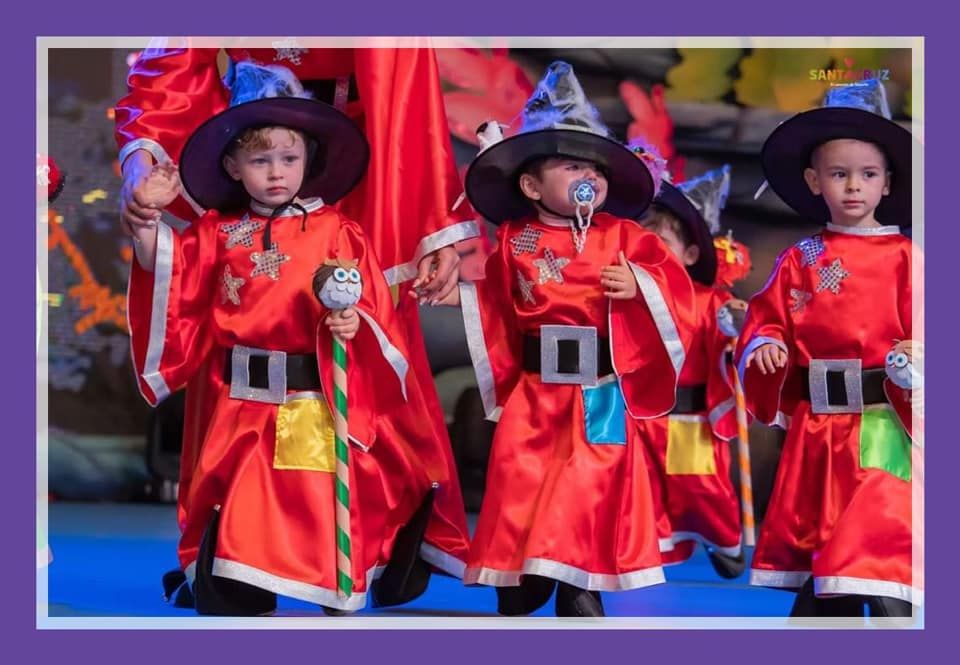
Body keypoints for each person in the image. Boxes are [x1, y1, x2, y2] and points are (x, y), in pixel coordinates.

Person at [115, 43, 473, 604]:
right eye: (260, 162)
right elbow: (175, 276)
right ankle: (227, 560)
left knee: (330, 449)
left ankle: (382, 536)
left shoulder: (337, 231)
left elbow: (409, 85)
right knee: (236, 475)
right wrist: (146, 216)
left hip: (372, 167)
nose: (276, 173)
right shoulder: (217, 231)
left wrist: (425, 237)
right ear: (234, 166)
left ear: (306, 159)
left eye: (287, 160)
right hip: (240, 399)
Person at [438, 62, 696, 617]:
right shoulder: (514, 238)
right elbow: (497, 309)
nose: (589, 177)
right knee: (523, 483)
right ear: (531, 185)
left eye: (595, 168)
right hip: (536, 394)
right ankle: (524, 576)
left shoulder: (626, 237)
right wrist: (457, 293)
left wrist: (640, 286)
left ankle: (580, 586)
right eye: (572, 166)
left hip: (598, 390)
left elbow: (676, 296)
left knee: (589, 487)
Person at [737, 79, 921, 617]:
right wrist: (766, 347)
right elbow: (767, 319)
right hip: (817, 434)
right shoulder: (803, 257)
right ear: (815, 180)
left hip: (882, 423)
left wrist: (917, 358)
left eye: (867, 174)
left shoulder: (906, 257)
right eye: (839, 174)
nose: (853, 187)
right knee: (826, 560)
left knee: (876, 547)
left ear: (888, 183)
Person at [636, 164, 746, 579]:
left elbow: (726, 341)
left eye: (661, 242)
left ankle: (723, 538)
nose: (650, 249)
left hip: (687, 418)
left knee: (697, 487)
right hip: (641, 415)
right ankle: (654, 553)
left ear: (691, 254)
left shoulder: (707, 300)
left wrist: (734, 336)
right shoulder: (629, 295)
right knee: (644, 489)